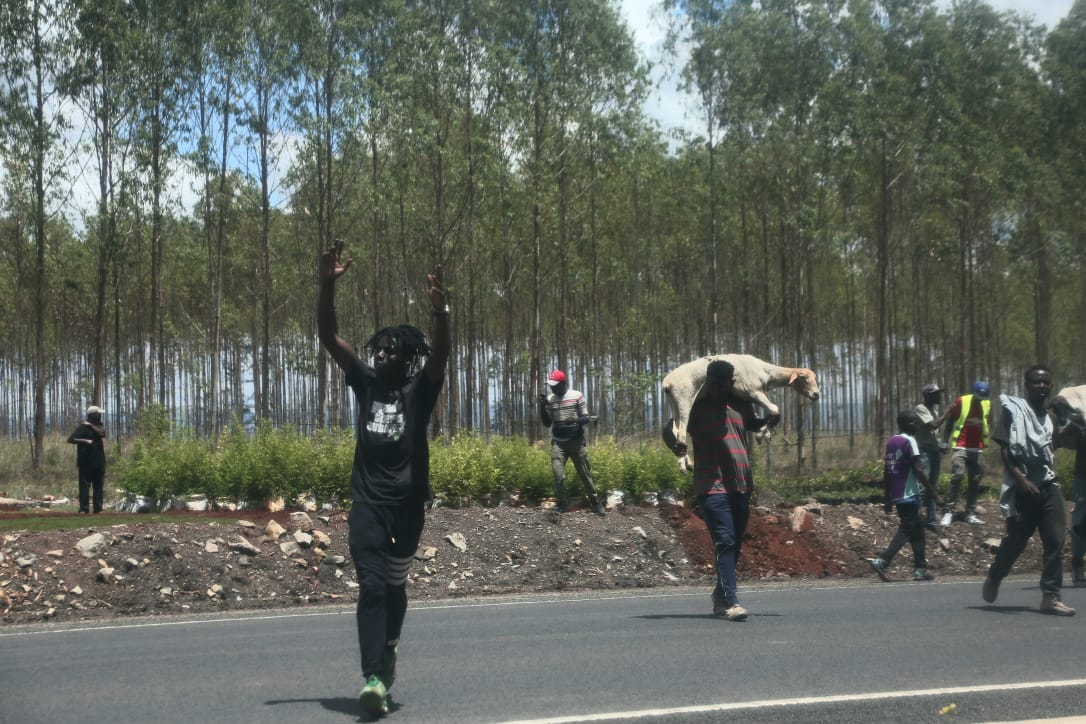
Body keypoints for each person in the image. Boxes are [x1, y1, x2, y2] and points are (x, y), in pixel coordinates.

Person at [317, 239, 450, 715]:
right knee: (372, 586)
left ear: (407, 358)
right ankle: (373, 677)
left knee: (395, 587)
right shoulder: (365, 383)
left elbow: (440, 358)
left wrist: (442, 313)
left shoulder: (419, 391)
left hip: (409, 507)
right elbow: (330, 339)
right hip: (369, 504)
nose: (380, 354)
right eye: (378, 347)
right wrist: (326, 287)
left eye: (391, 350)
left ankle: (389, 645)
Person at [667, 359, 777, 621]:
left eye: (723, 383)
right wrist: (676, 446)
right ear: (707, 382)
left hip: (741, 484)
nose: (718, 388)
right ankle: (731, 602)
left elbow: (752, 423)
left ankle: (720, 593)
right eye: (714, 383)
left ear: (731, 383)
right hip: (711, 485)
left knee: (735, 543)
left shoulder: (741, 403)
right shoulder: (695, 408)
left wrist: (769, 421)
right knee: (725, 540)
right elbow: (669, 430)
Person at [981, 366, 1075, 615]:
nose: (1042, 386)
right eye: (1037, 382)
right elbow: (1004, 451)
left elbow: (1052, 448)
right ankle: (995, 575)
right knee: (1016, 541)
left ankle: (1051, 597)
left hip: (1048, 485)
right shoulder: (1014, 412)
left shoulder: (1051, 417)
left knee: (1055, 541)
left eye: (1046, 382)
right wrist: (1022, 480)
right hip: (1024, 488)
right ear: (1026, 386)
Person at [869, 411, 944, 582]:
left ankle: (920, 569)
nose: (918, 426)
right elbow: (918, 470)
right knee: (907, 528)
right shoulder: (911, 442)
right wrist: (934, 493)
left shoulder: (891, 441)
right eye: (915, 422)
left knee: (917, 532)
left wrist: (887, 497)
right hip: (909, 494)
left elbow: (887, 471)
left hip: (897, 494)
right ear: (907, 424)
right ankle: (882, 560)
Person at [538, 369, 605, 516]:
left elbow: (586, 418)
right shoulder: (551, 399)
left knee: (585, 474)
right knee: (558, 475)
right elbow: (547, 423)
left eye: (555, 385)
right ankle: (562, 504)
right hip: (558, 443)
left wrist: (575, 420)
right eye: (550, 385)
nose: (552, 388)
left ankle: (595, 503)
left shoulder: (576, 396)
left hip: (576, 442)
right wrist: (542, 407)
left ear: (563, 384)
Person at [940, 380, 992, 527]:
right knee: (958, 476)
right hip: (961, 446)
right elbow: (950, 421)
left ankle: (969, 513)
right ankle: (949, 512)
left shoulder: (987, 404)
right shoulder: (962, 401)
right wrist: (945, 441)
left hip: (978, 448)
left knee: (975, 481)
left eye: (983, 398)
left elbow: (986, 424)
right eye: (978, 397)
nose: (981, 400)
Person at [913, 384, 948, 530]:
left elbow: (934, 433)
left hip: (934, 452)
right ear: (928, 396)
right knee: (922, 487)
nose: (939, 396)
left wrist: (940, 445)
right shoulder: (920, 408)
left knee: (934, 486)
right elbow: (933, 425)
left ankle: (931, 520)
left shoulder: (934, 410)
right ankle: (915, 520)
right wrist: (948, 412)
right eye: (936, 394)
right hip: (924, 452)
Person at [1056, 418, 1086, 587]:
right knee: (1082, 523)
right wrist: (1081, 437)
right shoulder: (1082, 418)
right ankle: (1077, 563)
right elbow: (1064, 439)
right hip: (1084, 478)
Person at [67, 405, 106, 514]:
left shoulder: (99, 426)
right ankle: (84, 509)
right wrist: (84, 441)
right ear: (93, 415)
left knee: (98, 486)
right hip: (85, 462)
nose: (100, 415)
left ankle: (98, 508)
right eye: (98, 413)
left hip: (99, 461)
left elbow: (102, 433)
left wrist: (91, 426)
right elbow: (71, 439)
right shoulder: (82, 427)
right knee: (84, 486)